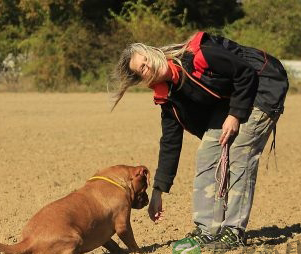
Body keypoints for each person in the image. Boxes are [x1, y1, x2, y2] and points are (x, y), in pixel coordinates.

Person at [111, 31, 288, 250]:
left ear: (153, 51)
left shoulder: (200, 55)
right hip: (233, 96)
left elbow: (245, 73)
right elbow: (170, 142)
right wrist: (158, 190)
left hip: (262, 83)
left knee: (241, 150)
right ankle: (207, 230)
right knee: (207, 152)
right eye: (142, 69)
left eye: (146, 58)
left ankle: (233, 232)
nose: (149, 65)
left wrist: (235, 115)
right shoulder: (167, 95)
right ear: (142, 79)